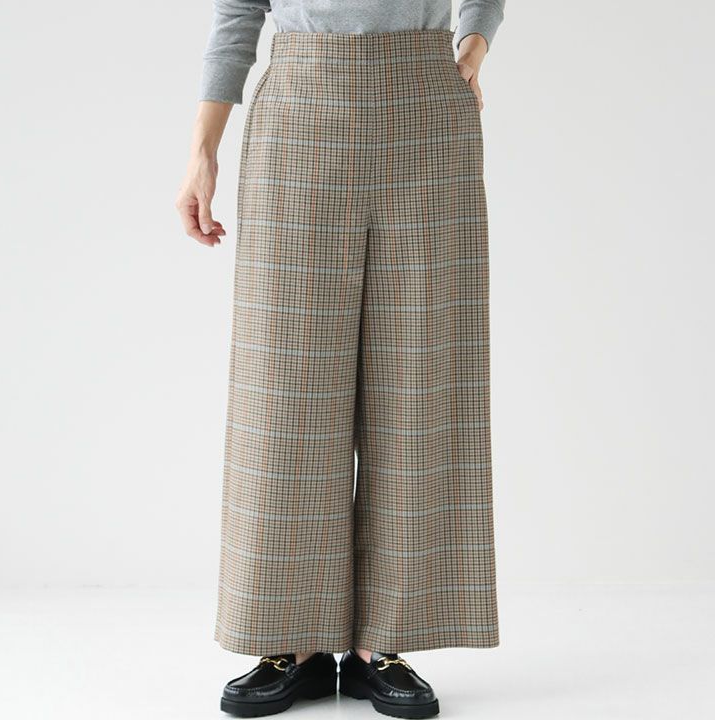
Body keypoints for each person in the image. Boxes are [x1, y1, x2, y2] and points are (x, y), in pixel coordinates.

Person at [175, 1, 506, 717]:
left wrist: (475, 43)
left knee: (419, 379)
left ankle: (382, 643)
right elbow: (238, 10)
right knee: (286, 386)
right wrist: (203, 148)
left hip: (426, 107)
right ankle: (291, 639)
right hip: (301, 108)